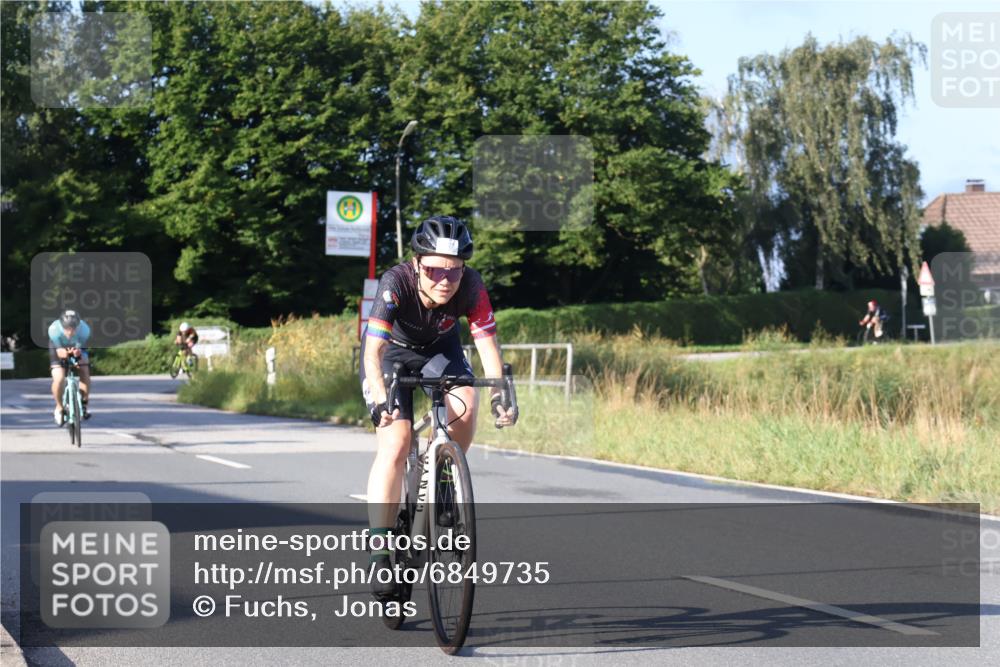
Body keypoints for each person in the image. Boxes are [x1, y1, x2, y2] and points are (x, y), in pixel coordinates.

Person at [359, 216, 517, 597]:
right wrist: (381, 397)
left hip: (440, 352)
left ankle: (443, 476)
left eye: (455, 271)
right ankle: (380, 551)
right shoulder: (395, 282)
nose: (445, 280)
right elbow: (372, 352)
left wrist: (500, 394)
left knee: (467, 401)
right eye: (433, 269)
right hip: (391, 356)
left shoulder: (472, 286)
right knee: (395, 443)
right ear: (416, 264)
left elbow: (485, 344)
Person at [48, 309, 91, 425]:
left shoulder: (84, 330)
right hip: (58, 347)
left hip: (76, 346)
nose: (70, 332)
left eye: (74, 328)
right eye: (67, 329)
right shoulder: (54, 330)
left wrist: (77, 354)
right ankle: (59, 407)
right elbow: (59, 351)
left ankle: (84, 402)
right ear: (62, 326)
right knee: (59, 378)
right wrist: (63, 353)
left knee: (84, 368)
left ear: (78, 326)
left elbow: (79, 348)